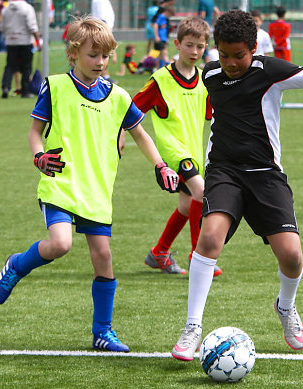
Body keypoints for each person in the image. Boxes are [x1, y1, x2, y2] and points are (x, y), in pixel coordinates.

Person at [0, 16, 179, 353]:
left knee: (103, 257)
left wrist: (161, 165)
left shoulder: (119, 96)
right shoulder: (56, 86)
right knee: (60, 244)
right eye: (93, 55)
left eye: (105, 56)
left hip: (96, 190)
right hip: (61, 183)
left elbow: (141, 134)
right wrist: (39, 158)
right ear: (73, 53)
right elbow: (36, 132)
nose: (100, 62)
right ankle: (17, 265)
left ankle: (102, 333)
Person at [171, 9, 303, 361]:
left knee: (291, 256)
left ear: (253, 48)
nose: (229, 62)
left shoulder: (270, 70)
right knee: (209, 237)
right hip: (224, 170)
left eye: (238, 55)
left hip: (266, 174)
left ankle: (285, 307)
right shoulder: (210, 73)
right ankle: (192, 326)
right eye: (224, 54)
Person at [133, 16, 222, 277]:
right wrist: (121, 135)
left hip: (193, 152)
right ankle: (199, 257)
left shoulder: (205, 80)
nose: (194, 52)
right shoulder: (161, 80)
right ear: (177, 44)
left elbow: (209, 115)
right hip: (172, 152)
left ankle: (159, 252)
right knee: (201, 191)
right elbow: (132, 109)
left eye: (200, 46)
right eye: (189, 45)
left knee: (187, 206)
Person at [0, 0, 41, 98]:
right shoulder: (27, 8)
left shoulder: (6, 9)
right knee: (26, 67)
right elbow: (32, 26)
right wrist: (38, 41)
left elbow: (2, 27)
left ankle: (6, 86)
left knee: (10, 66)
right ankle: (25, 91)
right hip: (25, 40)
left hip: (11, 41)